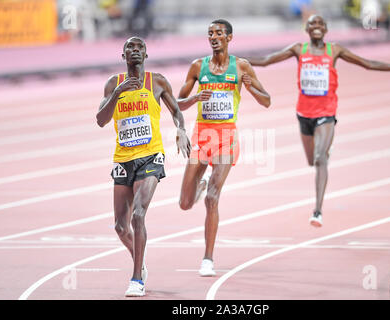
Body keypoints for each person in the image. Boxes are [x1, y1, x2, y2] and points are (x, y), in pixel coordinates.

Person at [247, 14, 390, 228]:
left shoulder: (335, 51)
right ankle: (323, 152)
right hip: (304, 113)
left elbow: (367, 64)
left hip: (326, 112)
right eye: (312, 24)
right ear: (306, 29)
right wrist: (231, 59)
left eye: (320, 24)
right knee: (311, 161)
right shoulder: (298, 49)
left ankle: (317, 211)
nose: (316, 26)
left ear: (326, 29)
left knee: (321, 158)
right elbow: (266, 61)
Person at [96, 36, 191, 296]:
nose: (135, 51)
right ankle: (140, 259)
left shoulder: (157, 81)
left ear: (146, 55)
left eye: (140, 48)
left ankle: (136, 278)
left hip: (151, 156)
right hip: (123, 158)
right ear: (123, 55)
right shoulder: (112, 84)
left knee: (139, 214)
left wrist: (181, 129)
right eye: (130, 47)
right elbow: (101, 120)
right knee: (120, 226)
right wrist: (117, 94)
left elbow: (175, 109)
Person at [177, 19, 271, 276]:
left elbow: (267, 101)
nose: (214, 37)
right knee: (185, 203)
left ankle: (208, 258)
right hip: (202, 136)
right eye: (210, 33)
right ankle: (201, 183)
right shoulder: (198, 67)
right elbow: (178, 104)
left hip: (226, 136)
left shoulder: (241, 66)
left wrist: (252, 90)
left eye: (219, 33)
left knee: (212, 198)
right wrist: (195, 98)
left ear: (230, 37)